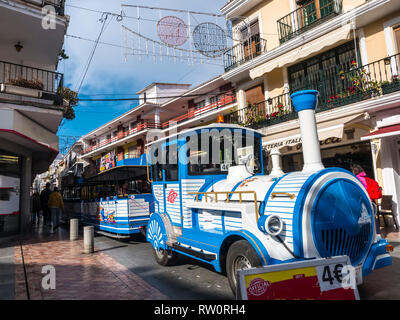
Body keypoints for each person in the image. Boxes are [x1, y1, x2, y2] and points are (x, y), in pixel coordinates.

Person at [351, 163, 383, 233]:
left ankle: (367, 236)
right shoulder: (369, 179)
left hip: (363, 202)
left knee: (363, 220)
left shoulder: (357, 180)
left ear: (354, 172)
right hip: (372, 202)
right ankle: (377, 234)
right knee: (374, 219)